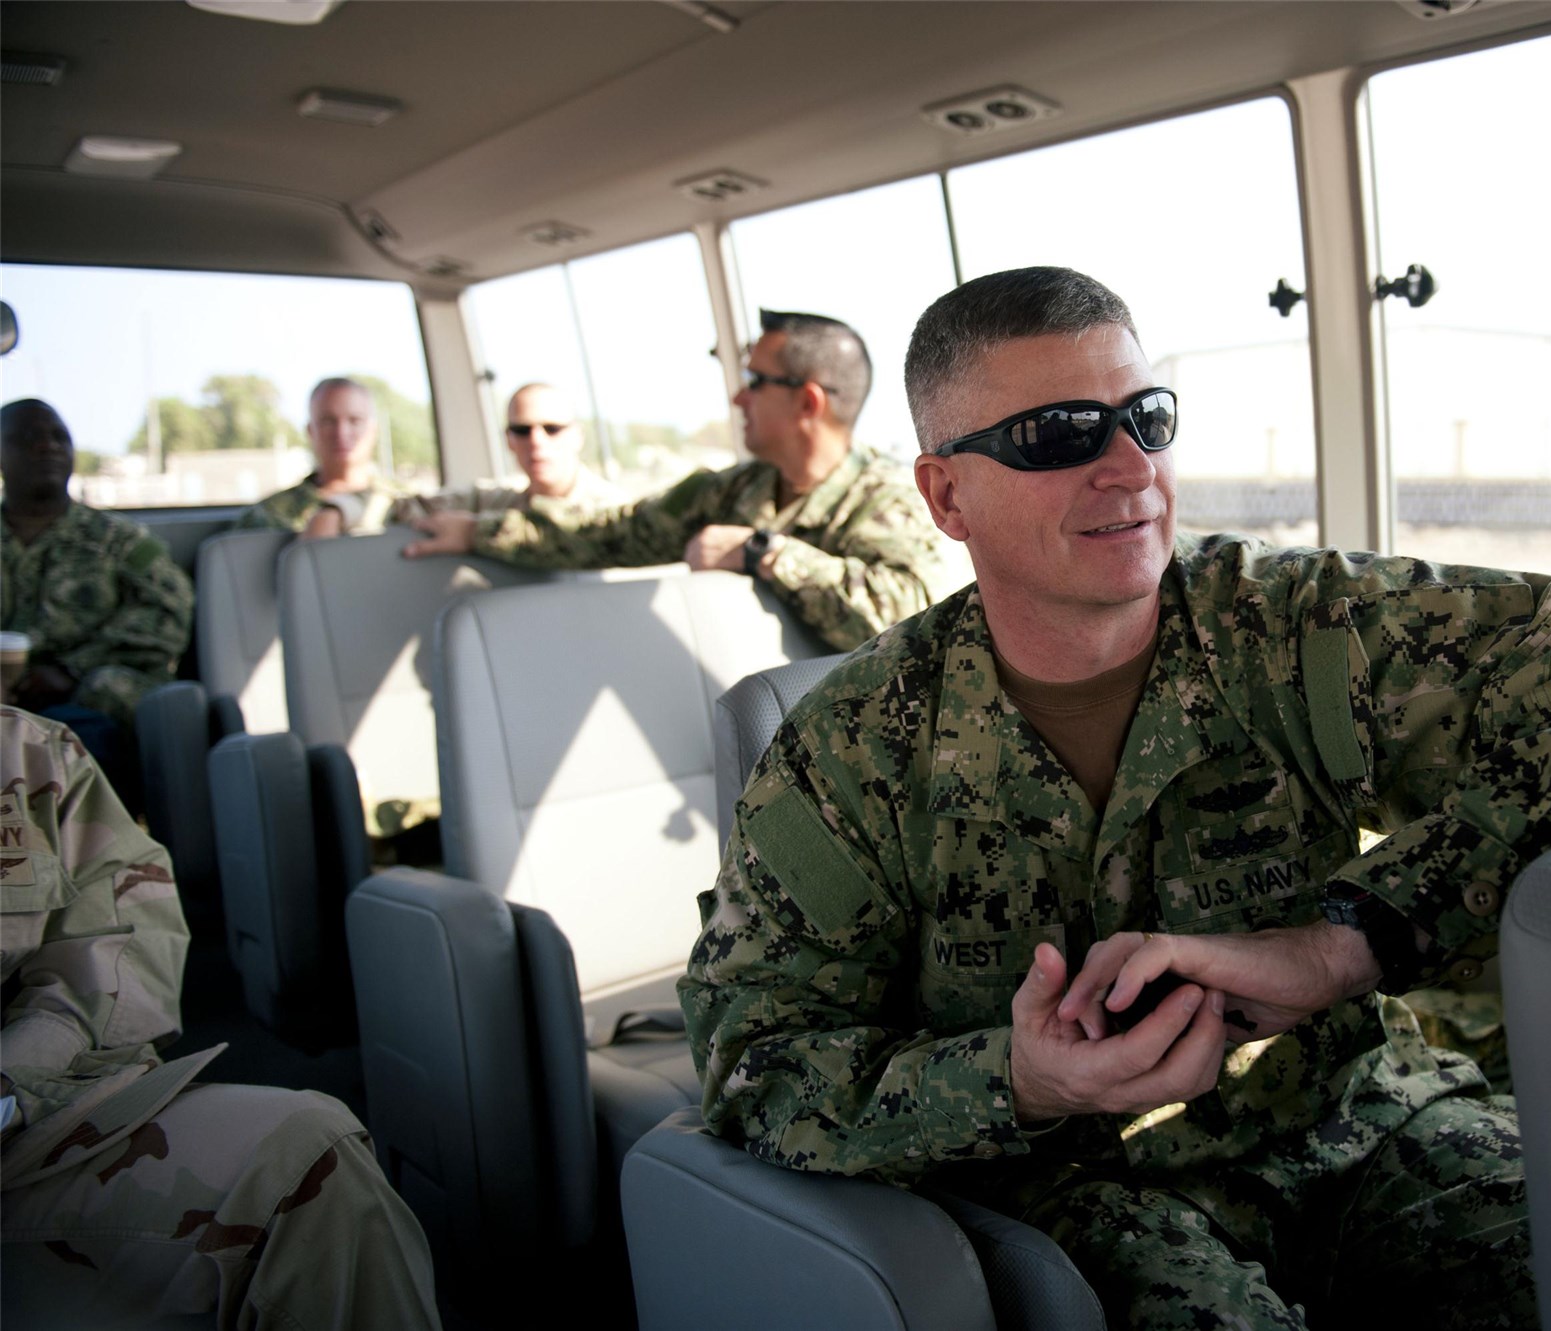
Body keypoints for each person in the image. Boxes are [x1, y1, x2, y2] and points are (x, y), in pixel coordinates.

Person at [678, 268, 1551, 1329]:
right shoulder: (853, 748)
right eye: (1059, 436)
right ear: (946, 494)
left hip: (1351, 1111)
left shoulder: (1290, 627)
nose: (1128, 468)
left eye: (1144, 419)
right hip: (1077, 1188)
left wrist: (1345, 941)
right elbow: (749, 1055)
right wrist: (1017, 1077)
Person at [0, 706, 440, 1329]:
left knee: (306, 1154)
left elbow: (115, 934)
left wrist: (15, 1078)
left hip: (21, 1136)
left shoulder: (26, 752)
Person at [402, 310, 959, 652]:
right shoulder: (729, 492)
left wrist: (762, 551)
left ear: (807, 401)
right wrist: (479, 533)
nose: (738, 397)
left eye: (753, 381)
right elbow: (612, 532)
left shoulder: (884, 499)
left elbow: (906, 617)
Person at [0, 398, 192, 802]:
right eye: (28, 437)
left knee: (106, 700)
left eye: (59, 437)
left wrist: (71, 670)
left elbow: (168, 613)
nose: (48, 446)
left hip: (84, 703)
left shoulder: (117, 541)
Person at [392, 381, 626, 523]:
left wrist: (474, 534)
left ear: (578, 436)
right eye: (522, 430)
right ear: (508, 439)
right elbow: (408, 507)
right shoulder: (493, 503)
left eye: (552, 429)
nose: (536, 441)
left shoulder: (616, 511)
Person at [234, 377, 409, 538]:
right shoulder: (267, 516)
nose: (341, 433)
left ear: (373, 430)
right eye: (328, 421)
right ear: (311, 431)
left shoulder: (406, 503)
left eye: (354, 421)